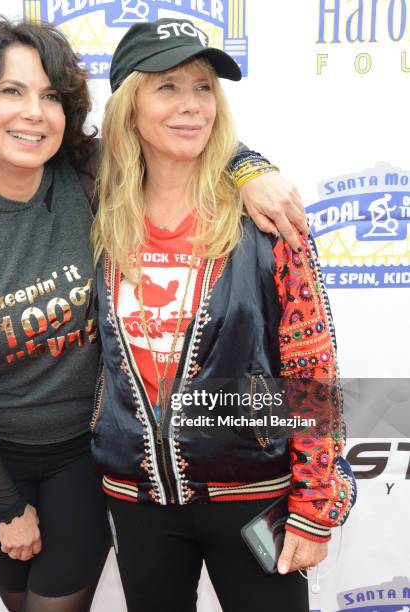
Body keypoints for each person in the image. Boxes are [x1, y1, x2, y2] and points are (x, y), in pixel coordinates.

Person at [0, 16, 308, 612]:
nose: (33, 112)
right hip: (7, 460)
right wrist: (7, 505)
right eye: (11, 91)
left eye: (49, 96)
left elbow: (181, 131)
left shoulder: (87, 178)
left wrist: (251, 170)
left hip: (101, 462)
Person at [91, 18, 357, 612]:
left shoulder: (268, 218)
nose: (191, 106)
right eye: (168, 88)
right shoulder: (99, 213)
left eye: (203, 87)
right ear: (129, 107)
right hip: (136, 501)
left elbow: (311, 364)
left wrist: (316, 505)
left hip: (254, 496)